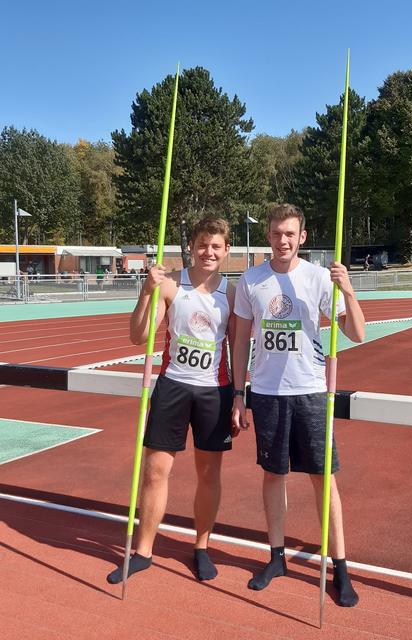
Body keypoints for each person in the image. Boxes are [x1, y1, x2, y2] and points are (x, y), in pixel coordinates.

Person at [232, 203, 365, 606]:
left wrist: (349, 291)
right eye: (276, 233)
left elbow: (356, 333)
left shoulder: (321, 278)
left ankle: (339, 568)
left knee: (324, 480)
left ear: (302, 237)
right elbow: (240, 342)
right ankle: (276, 557)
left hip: (309, 391)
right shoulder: (251, 281)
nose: (282, 240)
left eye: (290, 233)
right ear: (268, 235)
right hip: (268, 393)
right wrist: (239, 394)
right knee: (273, 476)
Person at [107, 216, 236, 585]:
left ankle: (202, 548)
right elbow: (139, 336)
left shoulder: (231, 293)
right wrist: (145, 292)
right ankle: (143, 551)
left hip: (215, 389)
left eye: (216, 246)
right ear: (191, 247)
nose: (208, 252)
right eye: (202, 245)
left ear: (226, 251)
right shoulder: (169, 285)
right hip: (173, 385)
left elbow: (240, 345)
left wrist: (240, 396)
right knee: (155, 471)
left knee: (209, 473)